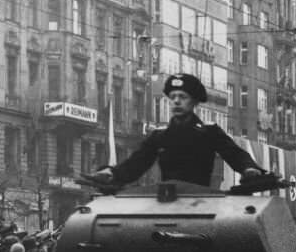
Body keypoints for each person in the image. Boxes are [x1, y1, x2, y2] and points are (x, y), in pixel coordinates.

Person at [92, 73, 264, 187]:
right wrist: (113, 174)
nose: (176, 101)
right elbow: (137, 163)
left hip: (202, 202)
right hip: (168, 201)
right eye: (173, 97)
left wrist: (248, 168)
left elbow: (235, 154)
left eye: (182, 97)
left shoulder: (209, 133)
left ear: (194, 102)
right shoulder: (160, 136)